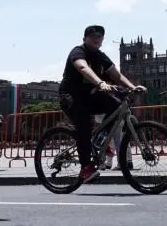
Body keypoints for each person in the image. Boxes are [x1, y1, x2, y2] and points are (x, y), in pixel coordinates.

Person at [59, 25, 146, 182]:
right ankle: (85, 168)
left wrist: (133, 87)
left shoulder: (100, 56)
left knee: (116, 104)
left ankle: (100, 138)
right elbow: (83, 67)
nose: (96, 40)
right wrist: (100, 83)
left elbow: (117, 75)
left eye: (99, 37)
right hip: (70, 96)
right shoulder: (78, 52)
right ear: (84, 38)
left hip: (88, 96)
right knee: (84, 122)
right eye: (93, 37)